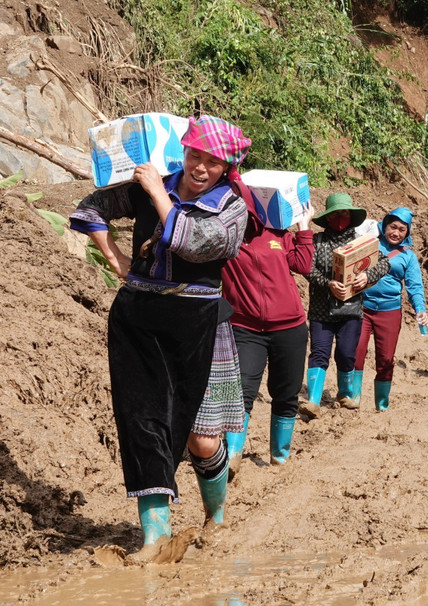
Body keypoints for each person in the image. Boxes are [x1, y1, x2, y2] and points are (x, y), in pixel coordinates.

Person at [69, 115, 252, 559]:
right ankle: (155, 537)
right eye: (194, 155)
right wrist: (114, 255)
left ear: (227, 167)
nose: (200, 167)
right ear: (183, 152)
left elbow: (200, 244)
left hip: (200, 324)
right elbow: (91, 207)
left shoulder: (232, 208)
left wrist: (157, 193)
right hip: (139, 317)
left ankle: (216, 516)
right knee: (143, 422)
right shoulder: (151, 182)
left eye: (212, 162)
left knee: (202, 439)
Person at [221, 201, 315, 476]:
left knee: (286, 392)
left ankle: (279, 457)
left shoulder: (277, 234)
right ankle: (231, 456)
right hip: (245, 328)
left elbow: (303, 265)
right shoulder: (223, 238)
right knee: (239, 390)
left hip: (289, 327)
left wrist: (304, 226)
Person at [300, 193, 390, 418]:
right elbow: (307, 268)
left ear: (351, 216)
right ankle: (313, 400)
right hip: (321, 310)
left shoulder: (361, 243)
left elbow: (384, 264)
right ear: (327, 218)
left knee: (346, 353)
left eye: (344, 213)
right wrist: (328, 283)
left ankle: (345, 394)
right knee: (319, 352)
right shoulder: (317, 242)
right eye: (335, 214)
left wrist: (367, 276)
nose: (340, 218)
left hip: (351, 310)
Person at [353, 207, 428, 411]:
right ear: (384, 226)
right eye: (393, 227)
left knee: (386, 359)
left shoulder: (408, 257)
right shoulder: (369, 243)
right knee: (356, 352)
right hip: (362, 308)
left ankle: (382, 405)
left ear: (407, 232)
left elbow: (414, 286)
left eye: (402, 230)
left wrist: (420, 308)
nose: (396, 233)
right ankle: (352, 400)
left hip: (390, 312)